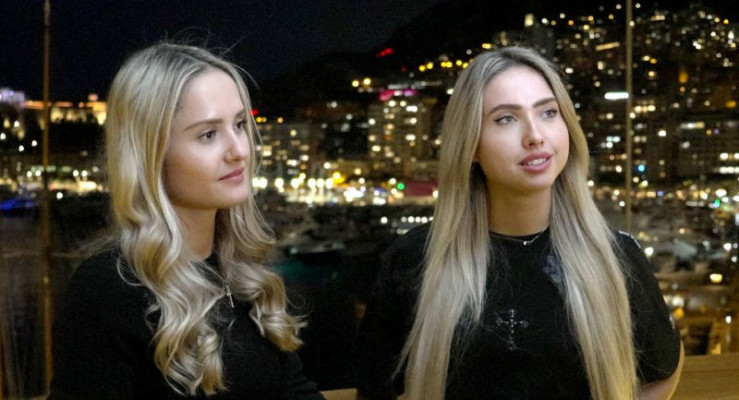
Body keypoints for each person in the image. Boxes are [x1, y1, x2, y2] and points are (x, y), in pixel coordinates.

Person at [354, 46, 684, 400]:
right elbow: (374, 388)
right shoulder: (415, 259)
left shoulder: (615, 256)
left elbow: (662, 369)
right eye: (506, 119)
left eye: (548, 112)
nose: (535, 135)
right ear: (471, 145)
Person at [49, 43, 325, 399]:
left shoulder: (243, 276)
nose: (239, 150)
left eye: (240, 124)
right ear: (151, 154)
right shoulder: (108, 290)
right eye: (208, 134)